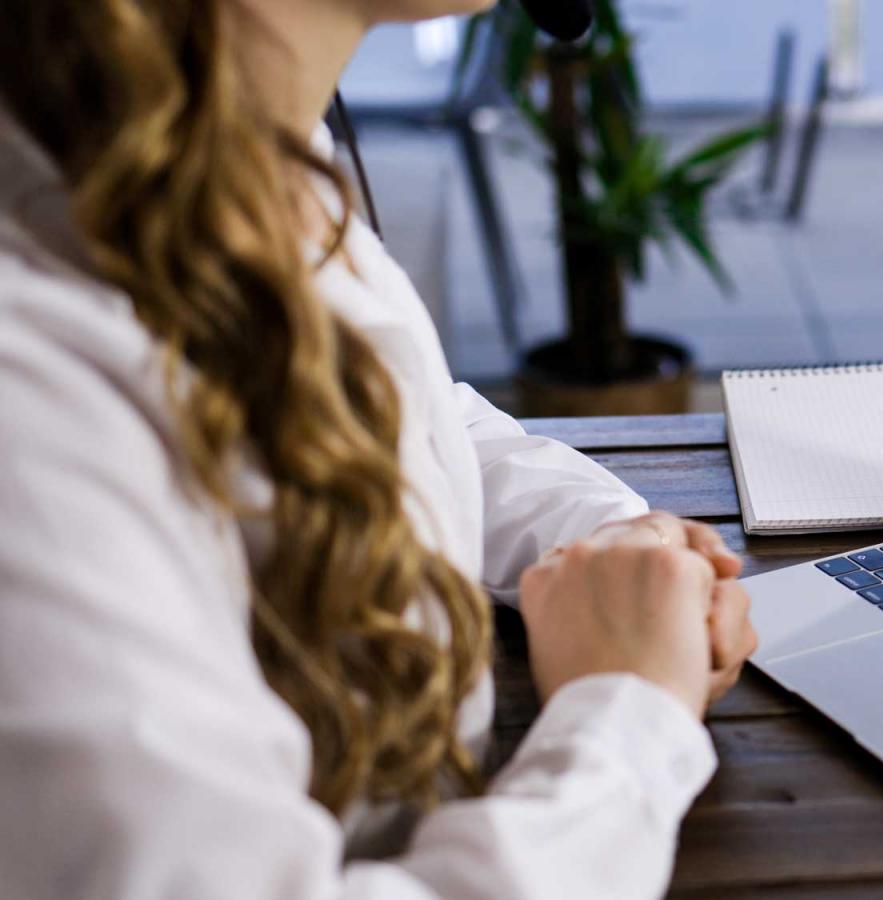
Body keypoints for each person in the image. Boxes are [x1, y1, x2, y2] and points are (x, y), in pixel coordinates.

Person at [0, 1, 757, 897]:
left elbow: (410, 416)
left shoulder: (230, 155)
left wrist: (615, 543)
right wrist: (630, 720)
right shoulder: (31, 387)